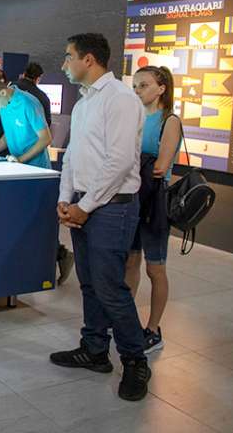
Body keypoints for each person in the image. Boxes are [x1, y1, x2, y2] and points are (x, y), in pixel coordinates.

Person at [50, 32, 150, 402]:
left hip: (112, 208)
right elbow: (73, 156)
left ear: (88, 59)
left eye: (68, 56)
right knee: (90, 284)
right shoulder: (84, 102)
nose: (64, 64)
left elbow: (119, 161)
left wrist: (85, 205)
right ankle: (94, 349)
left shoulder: (120, 98)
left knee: (110, 287)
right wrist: (65, 198)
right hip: (85, 202)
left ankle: (136, 360)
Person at [126, 65, 182, 354]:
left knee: (155, 267)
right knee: (130, 262)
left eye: (144, 85)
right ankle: (125, 321)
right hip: (133, 198)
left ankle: (153, 329)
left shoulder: (169, 121)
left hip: (154, 203)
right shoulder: (135, 117)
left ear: (161, 89)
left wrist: (128, 163)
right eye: (135, 86)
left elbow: (160, 167)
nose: (138, 91)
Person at [14, 62, 74, 283]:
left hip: (24, 160)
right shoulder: (40, 97)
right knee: (36, 216)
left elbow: (44, 135)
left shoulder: (18, 94)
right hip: (29, 163)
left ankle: (53, 256)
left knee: (32, 217)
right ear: (38, 77)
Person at [0, 77, 52, 168]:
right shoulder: (4, 103)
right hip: (17, 164)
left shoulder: (28, 103)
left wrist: (20, 159)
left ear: (3, 93)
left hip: (37, 167)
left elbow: (45, 138)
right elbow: (9, 135)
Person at [15, 62, 52, 127]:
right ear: (38, 78)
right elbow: (46, 123)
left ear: (24, 74)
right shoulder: (43, 97)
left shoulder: (9, 87)